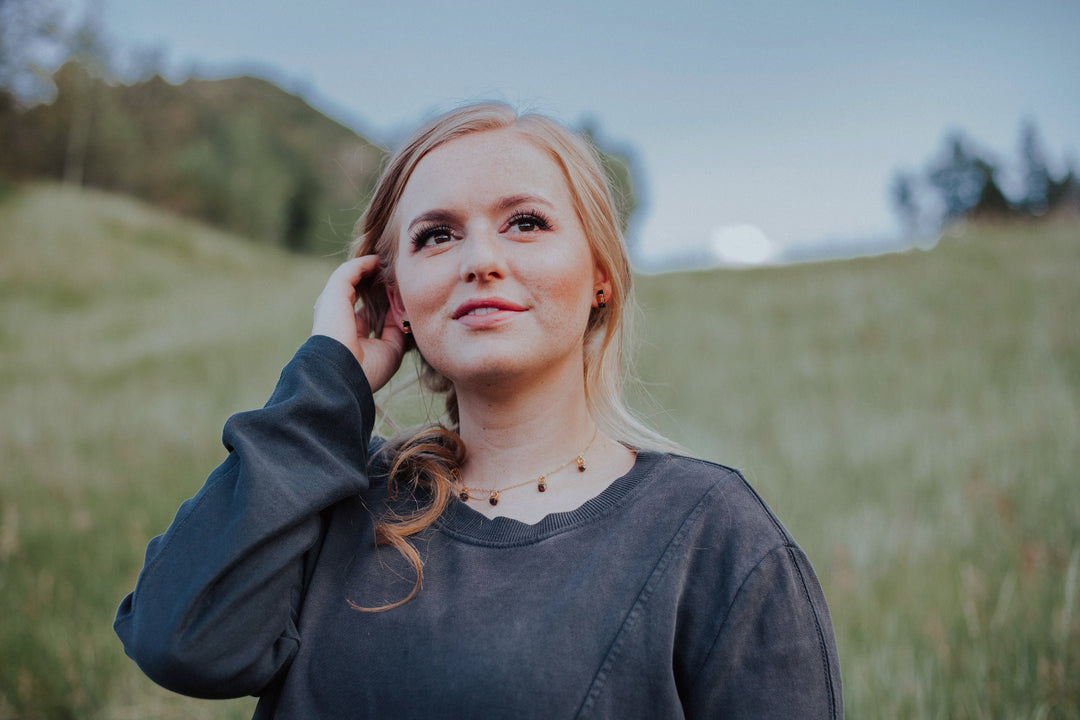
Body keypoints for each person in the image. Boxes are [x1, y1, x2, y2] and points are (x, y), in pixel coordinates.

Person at [115, 103, 843, 718]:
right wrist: (328, 381)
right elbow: (178, 638)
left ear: (599, 276)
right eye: (436, 235)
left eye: (525, 222)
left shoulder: (713, 534)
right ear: (394, 296)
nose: (480, 260)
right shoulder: (328, 502)